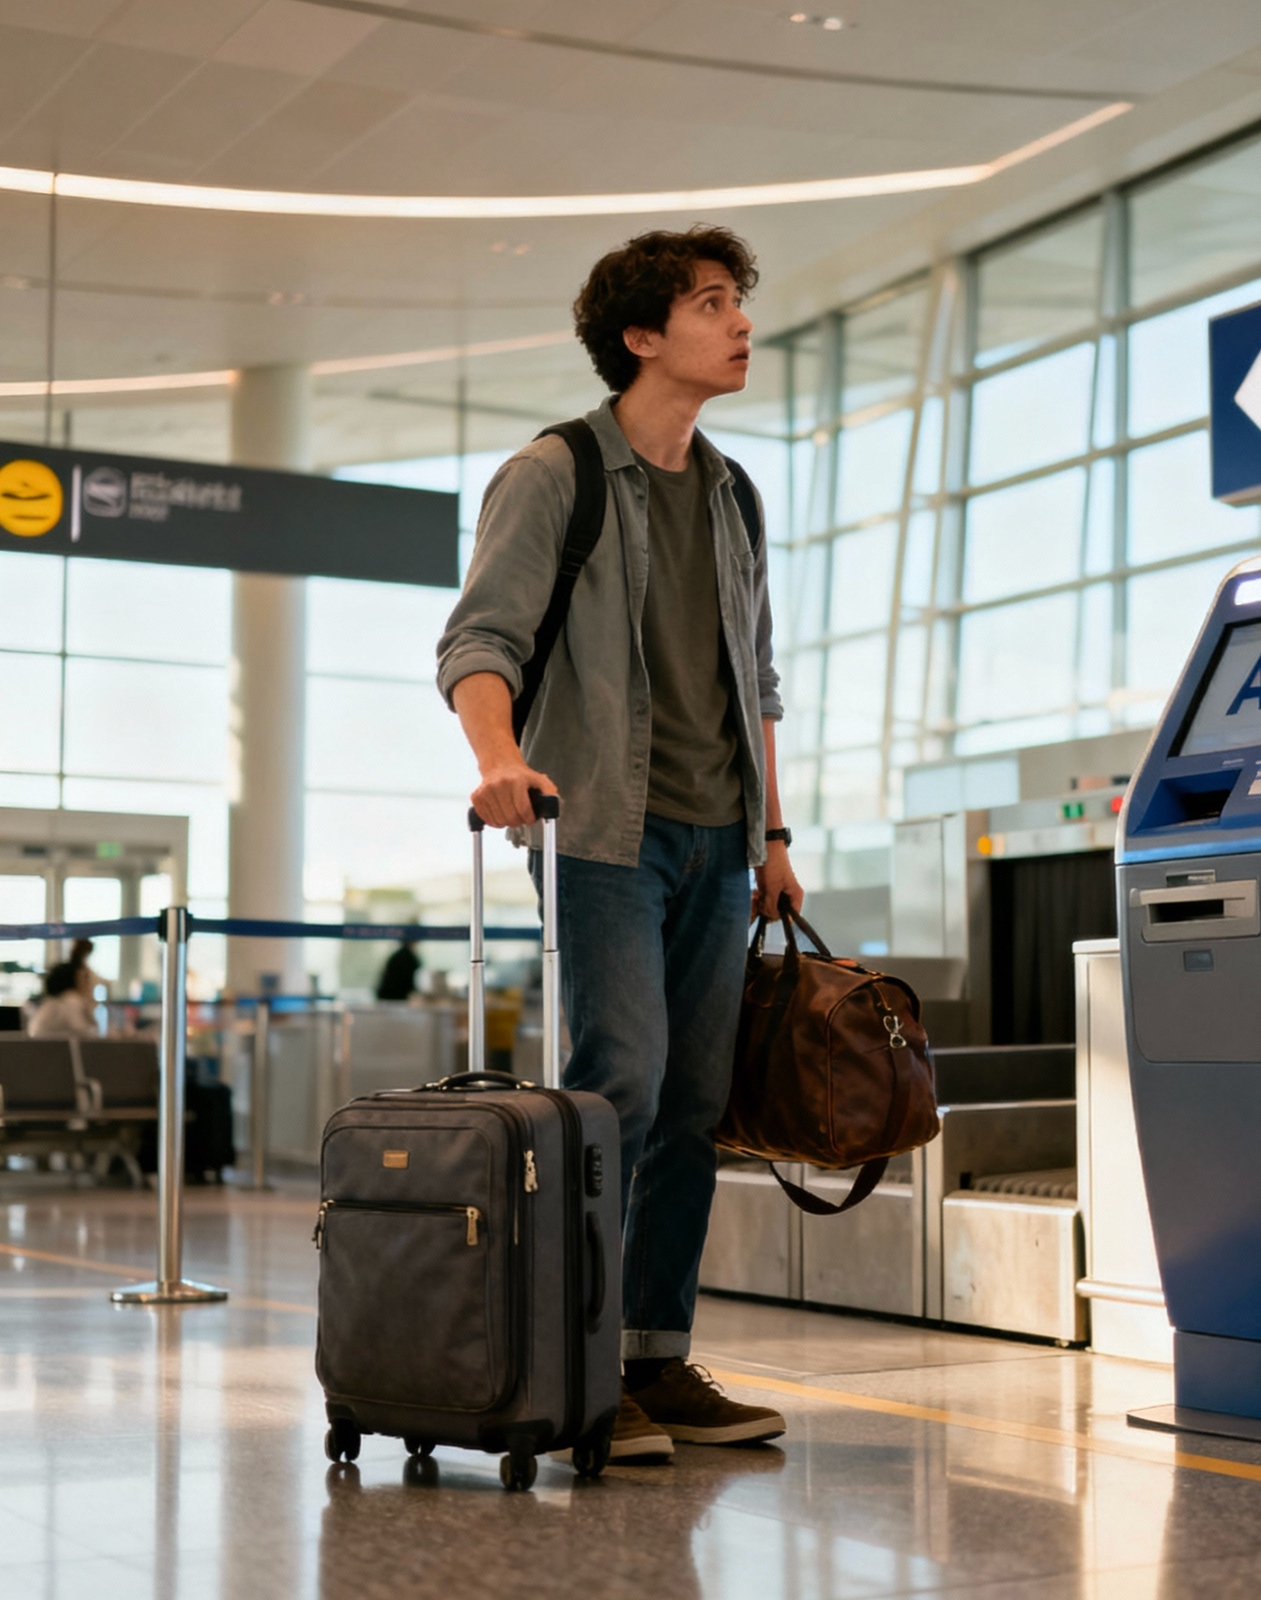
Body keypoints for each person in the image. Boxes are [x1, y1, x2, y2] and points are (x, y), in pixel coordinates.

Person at [437, 225, 803, 1464]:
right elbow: (478, 640)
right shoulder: (557, 473)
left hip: (720, 836)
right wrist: (498, 759)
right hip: (600, 827)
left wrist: (775, 831)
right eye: (713, 304)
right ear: (643, 336)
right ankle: (581, 1356)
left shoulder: (735, 492)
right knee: (623, 1083)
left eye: (737, 303)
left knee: (695, 1104)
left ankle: (656, 1353)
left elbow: (755, 676)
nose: (741, 323)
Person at [28, 961, 99, 1039]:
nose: (88, 983)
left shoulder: (51, 1002)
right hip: (54, 1048)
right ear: (73, 980)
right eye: (84, 978)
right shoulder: (71, 999)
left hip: (41, 1047)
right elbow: (85, 1033)